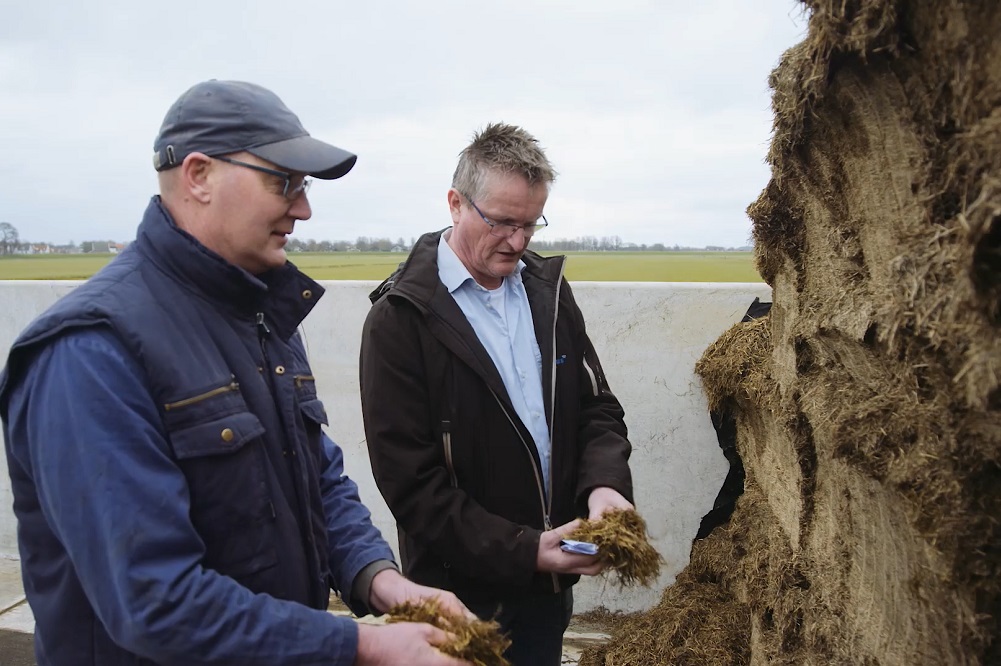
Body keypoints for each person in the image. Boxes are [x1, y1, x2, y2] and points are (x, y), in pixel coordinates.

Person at [0, 80, 471, 666]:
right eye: (285, 182)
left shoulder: (261, 314)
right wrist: (364, 643)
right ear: (198, 175)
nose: (303, 207)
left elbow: (316, 479)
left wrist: (381, 582)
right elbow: (155, 601)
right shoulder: (91, 352)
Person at [359, 123, 635, 665]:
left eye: (531, 224)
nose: (518, 241)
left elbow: (596, 407)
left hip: (545, 592)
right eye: (503, 222)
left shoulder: (548, 293)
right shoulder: (399, 319)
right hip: (454, 598)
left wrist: (606, 488)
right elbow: (410, 484)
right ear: (455, 203)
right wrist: (523, 550)